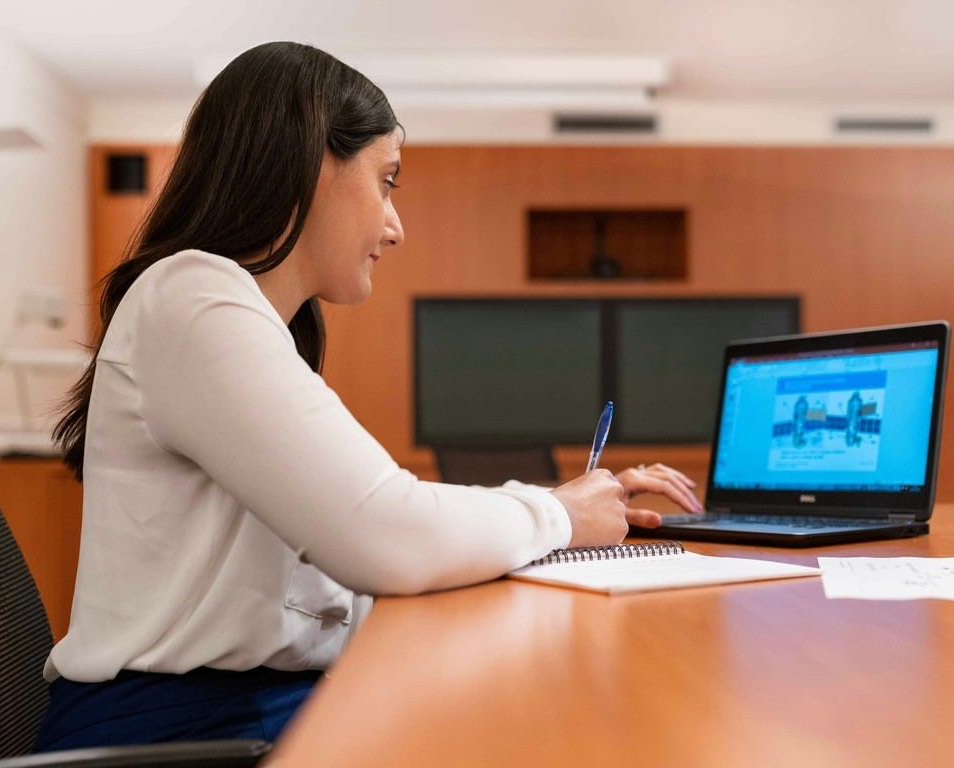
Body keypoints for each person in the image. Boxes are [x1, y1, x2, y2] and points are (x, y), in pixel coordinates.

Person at [36, 41, 703, 750]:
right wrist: (557, 516)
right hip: (173, 731)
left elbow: (375, 525)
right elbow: (384, 533)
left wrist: (556, 513)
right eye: (386, 181)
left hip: (235, 707)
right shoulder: (192, 296)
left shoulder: (237, 316)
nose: (395, 224)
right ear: (312, 163)